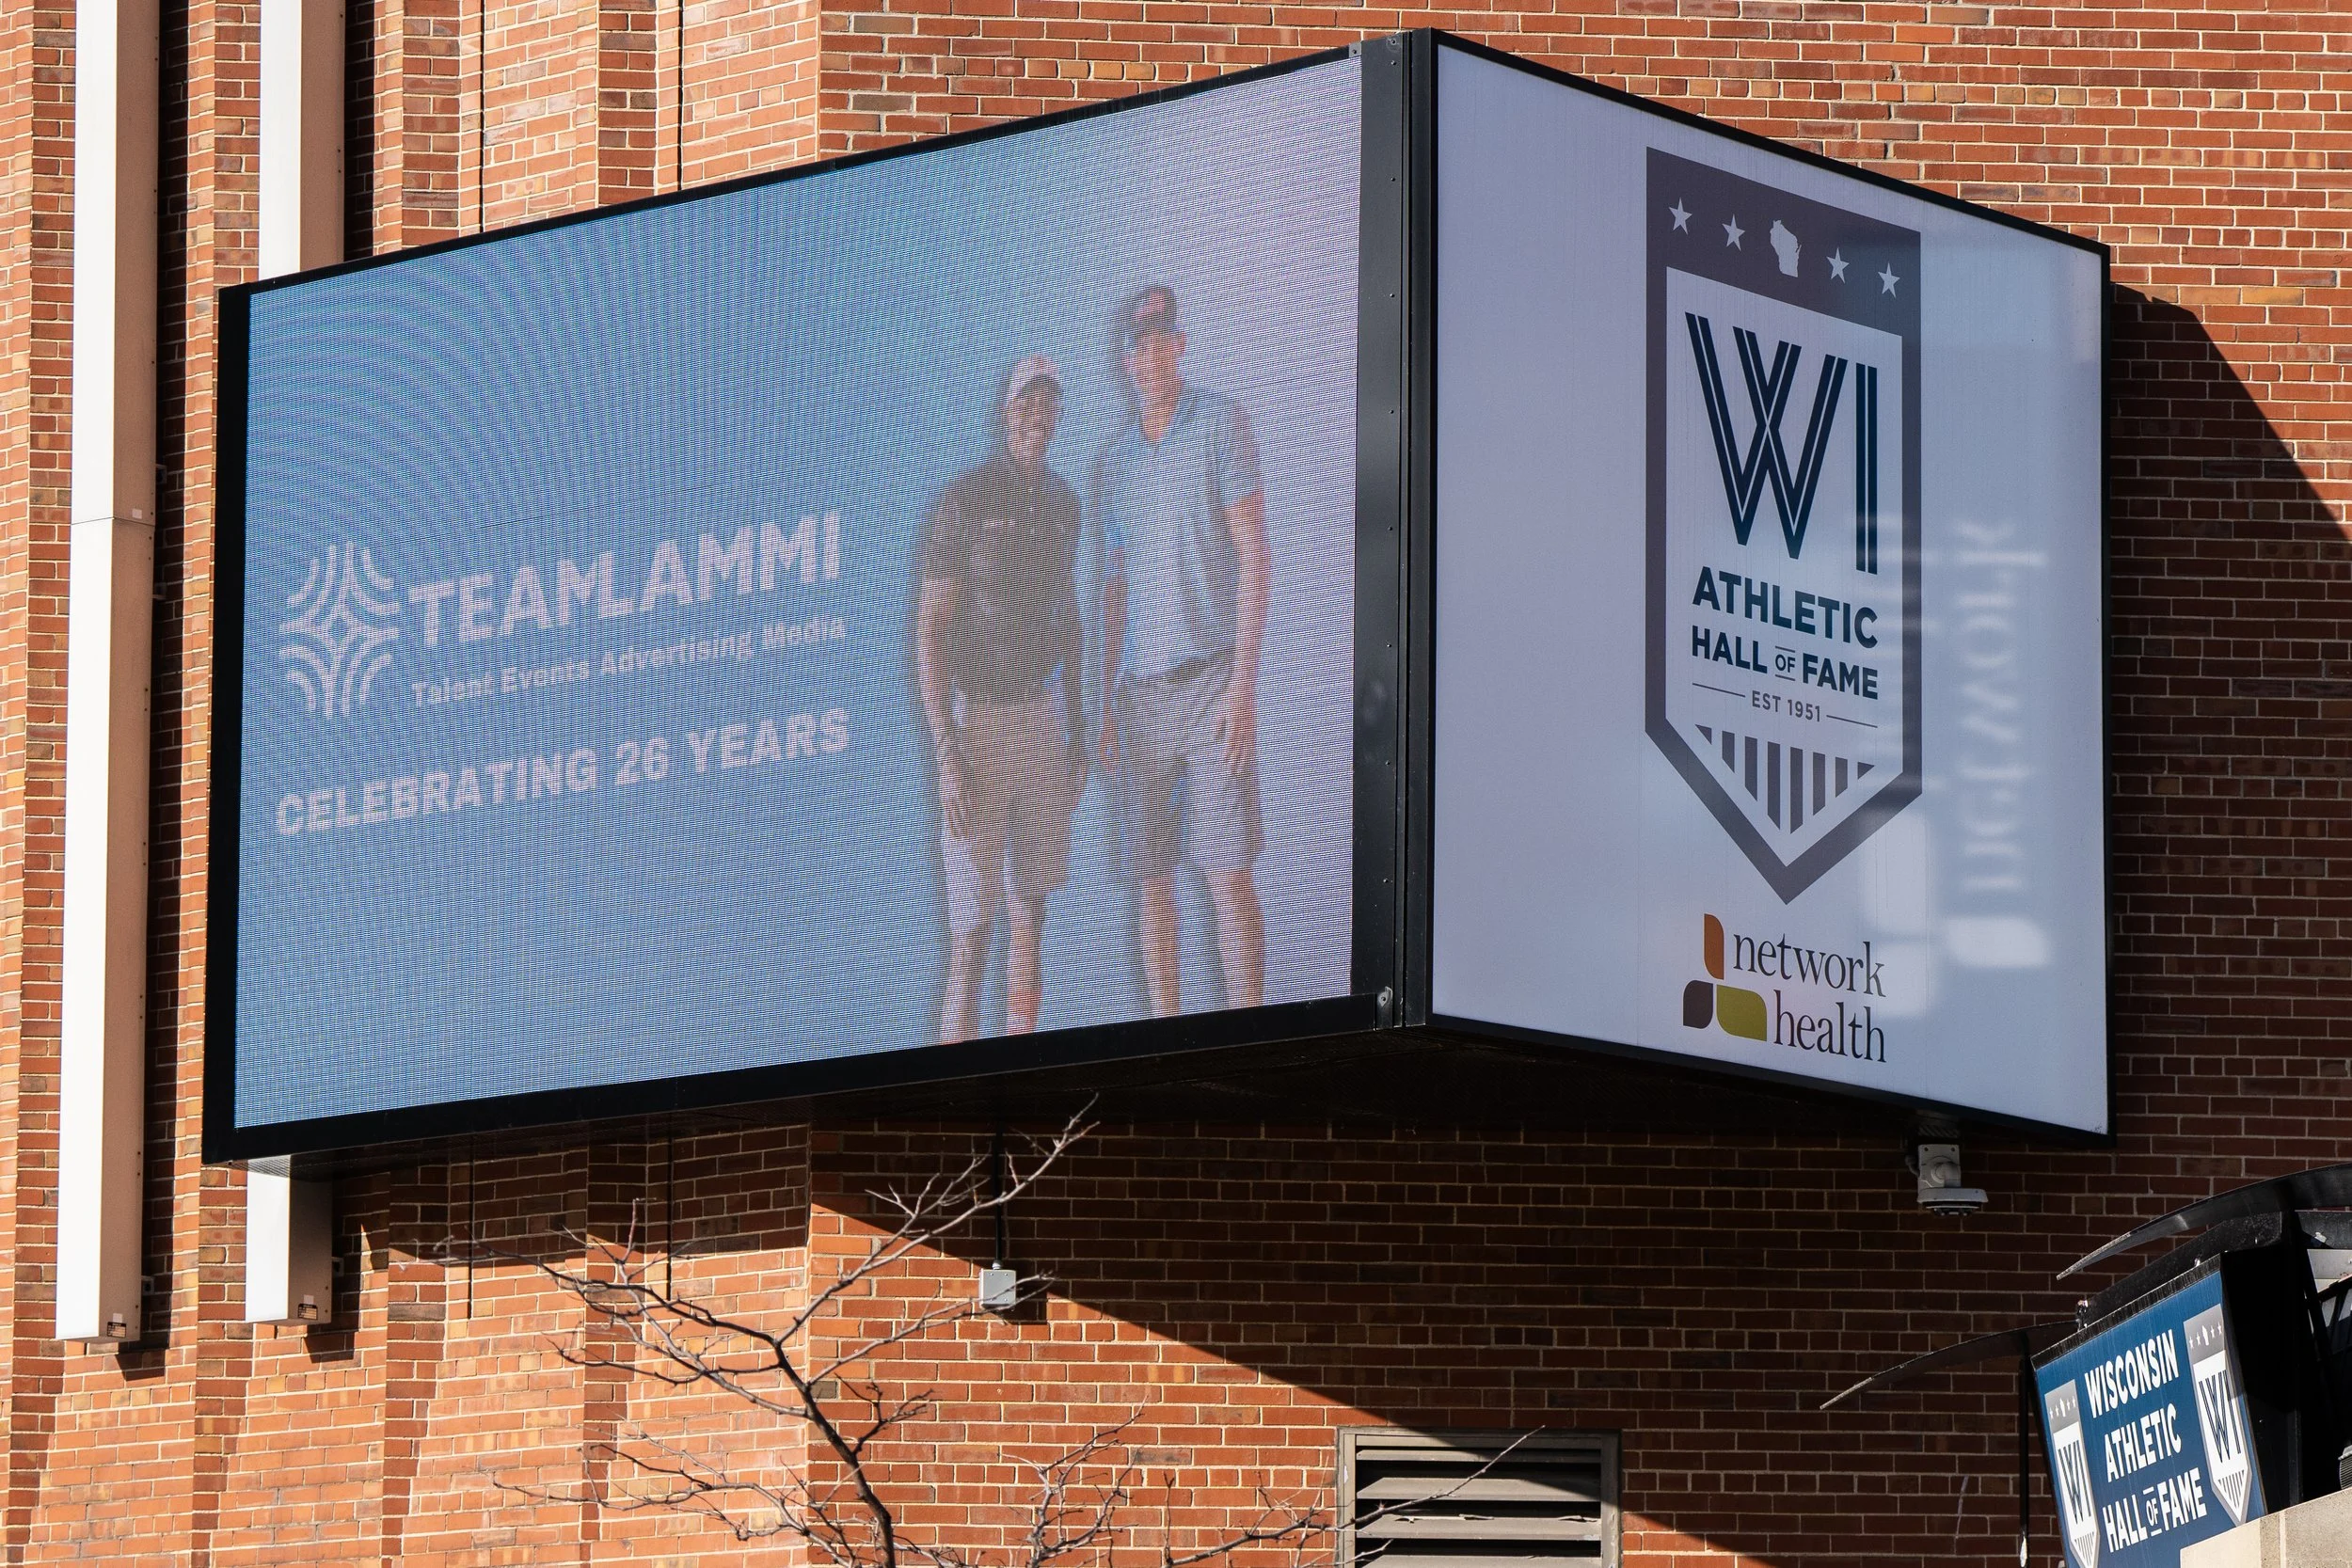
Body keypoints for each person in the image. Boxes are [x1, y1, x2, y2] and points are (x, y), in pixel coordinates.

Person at [1093, 285, 1271, 1016]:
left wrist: (1243, 687)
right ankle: (1166, 1034)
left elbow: (1254, 552)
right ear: (1126, 362)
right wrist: (1105, 705)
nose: (1151, 353)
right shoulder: (1114, 464)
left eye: (1161, 337)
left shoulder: (1221, 423)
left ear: (1180, 344)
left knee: (1227, 876)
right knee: (1152, 881)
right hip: (1140, 698)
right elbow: (1113, 588)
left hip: (1211, 686)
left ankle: (1250, 1034)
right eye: (1138, 344)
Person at [917, 354, 1088, 1043]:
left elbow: (1070, 622)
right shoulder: (964, 500)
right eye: (1025, 404)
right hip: (979, 723)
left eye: (1047, 405)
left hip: (1040, 720)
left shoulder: (1064, 505)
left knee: (1032, 906)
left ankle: (1022, 1058)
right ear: (1005, 412)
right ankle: (950, 1077)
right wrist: (947, 754)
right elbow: (929, 633)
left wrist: (1076, 730)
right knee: (972, 925)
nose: (1035, 417)